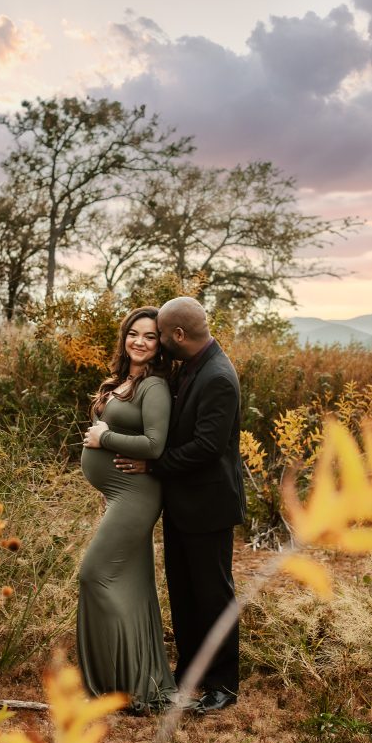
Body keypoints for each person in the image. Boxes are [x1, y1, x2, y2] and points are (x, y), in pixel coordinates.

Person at [114, 296, 245, 714]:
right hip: (183, 502)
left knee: (213, 595)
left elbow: (208, 447)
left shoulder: (218, 377)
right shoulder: (191, 366)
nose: (160, 344)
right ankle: (189, 671)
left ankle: (223, 685)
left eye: (162, 336)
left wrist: (152, 463)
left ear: (179, 335)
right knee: (184, 592)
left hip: (208, 506)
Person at [78, 307, 177, 713]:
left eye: (150, 336)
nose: (139, 341)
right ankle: (136, 684)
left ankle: (112, 680)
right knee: (134, 588)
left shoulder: (154, 386)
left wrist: (106, 438)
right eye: (133, 334)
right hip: (119, 493)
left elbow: (155, 445)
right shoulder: (124, 381)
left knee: (94, 575)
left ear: (161, 344)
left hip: (136, 496)